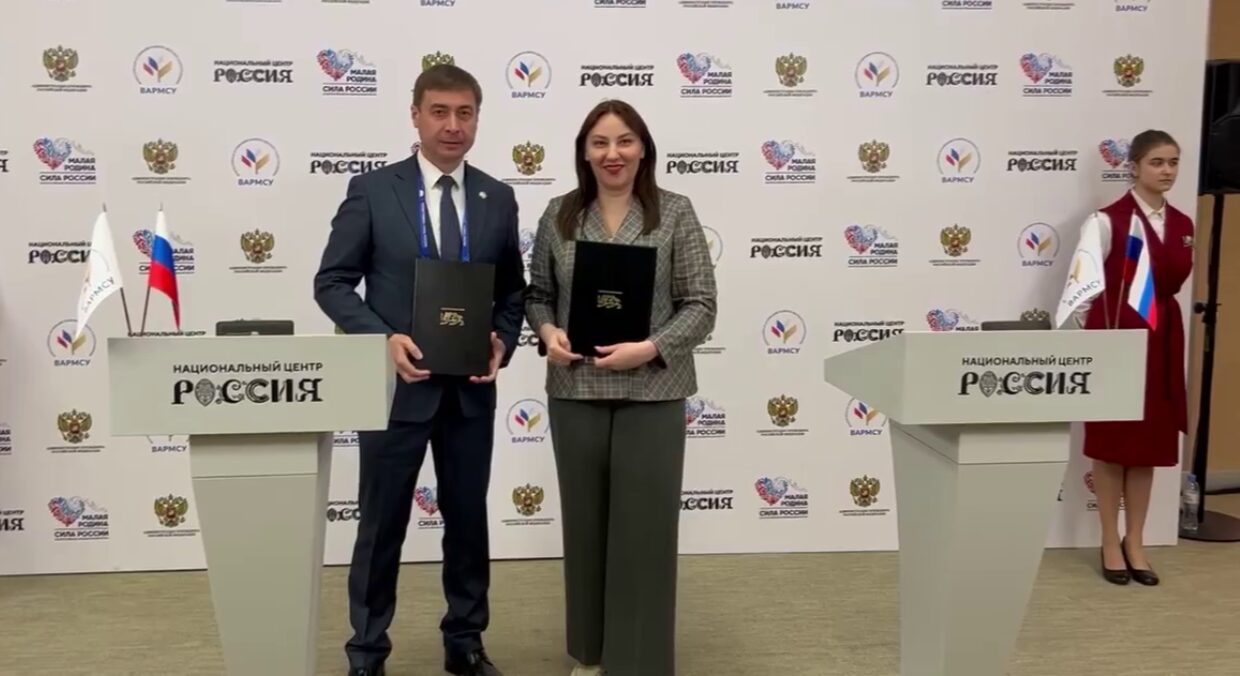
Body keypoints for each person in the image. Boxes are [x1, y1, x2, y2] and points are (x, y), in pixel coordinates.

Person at [314, 63, 525, 676]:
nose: (452, 125)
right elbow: (332, 283)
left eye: (465, 113)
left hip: (470, 391)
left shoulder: (497, 197)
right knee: (381, 527)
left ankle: (465, 641)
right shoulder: (373, 190)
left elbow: (513, 291)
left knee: (468, 522)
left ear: (477, 119)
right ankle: (367, 651)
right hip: (394, 391)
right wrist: (382, 338)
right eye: (439, 111)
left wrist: (502, 341)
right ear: (415, 115)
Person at [524, 99, 718, 676]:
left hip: (653, 390)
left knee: (645, 533)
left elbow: (701, 305)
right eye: (601, 142)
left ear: (644, 150)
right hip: (576, 388)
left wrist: (651, 347)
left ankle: (640, 661)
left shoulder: (675, 212)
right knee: (585, 528)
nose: (613, 153)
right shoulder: (559, 213)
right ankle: (589, 655)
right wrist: (548, 331)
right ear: (584, 152)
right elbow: (538, 296)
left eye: (625, 141)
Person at [1072, 129, 1194, 587]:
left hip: (1162, 339)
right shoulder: (1106, 222)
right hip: (1118, 340)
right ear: (1134, 166)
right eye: (1157, 162)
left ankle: (1135, 541)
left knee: (1147, 446)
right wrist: (1097, 349)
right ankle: (1109, 539)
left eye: (1173, 162)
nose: (1167, 171)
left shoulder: (1183, 224)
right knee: (1112, 444)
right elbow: (1083, 292)